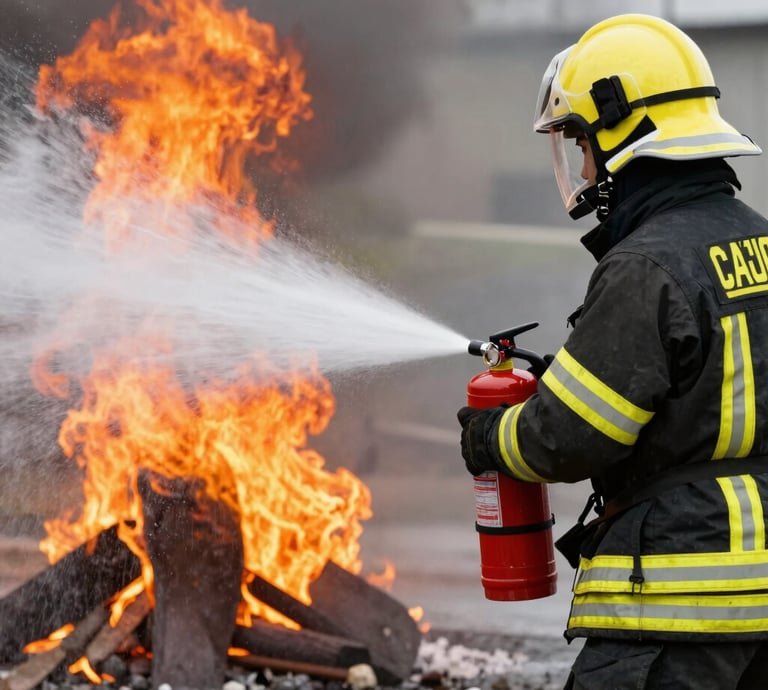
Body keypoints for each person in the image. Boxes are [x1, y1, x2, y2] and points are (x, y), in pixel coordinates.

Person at [456, 13, 768, 690]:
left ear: (623, 129)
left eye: (583, 142)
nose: (585, 164)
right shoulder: (759, 242)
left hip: (682, 605)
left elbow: (567, 440)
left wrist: (488, 436)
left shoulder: (645, 266)